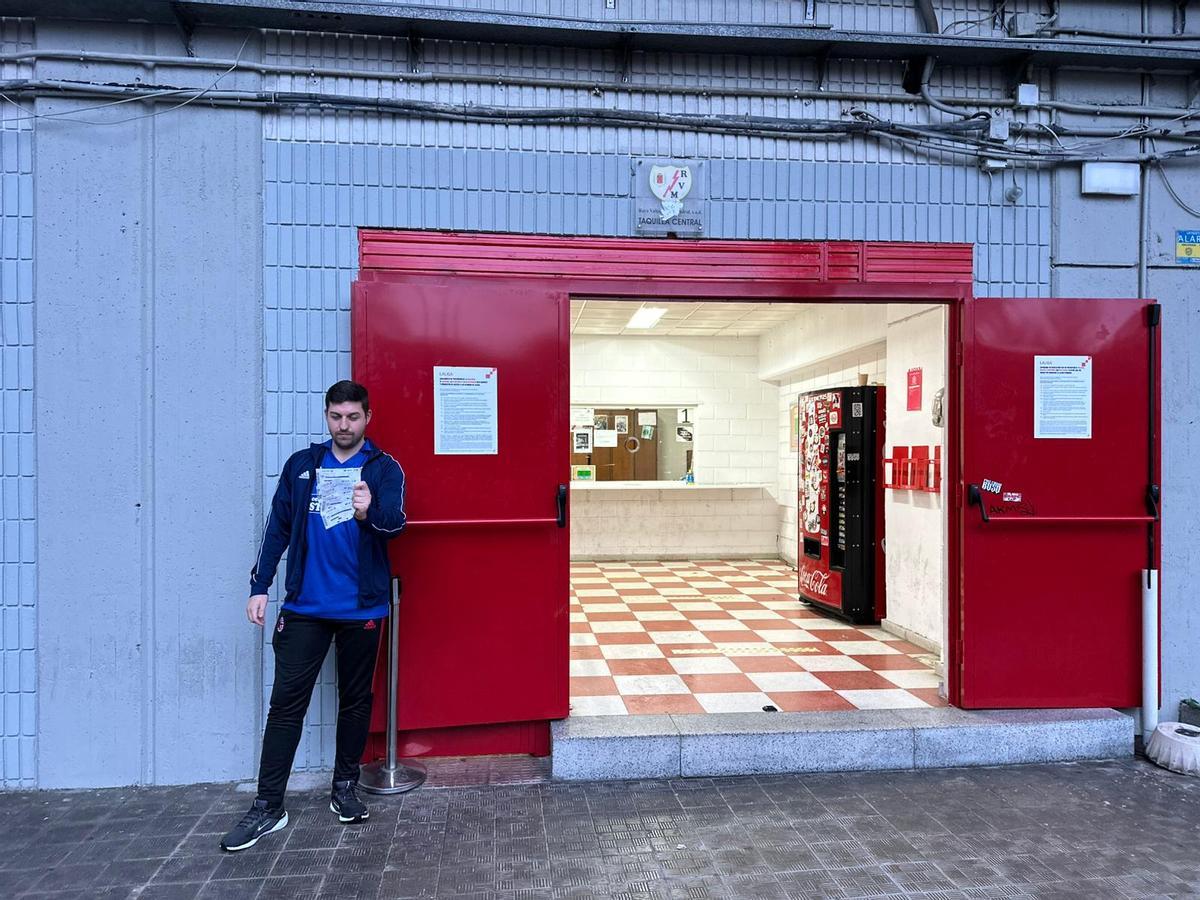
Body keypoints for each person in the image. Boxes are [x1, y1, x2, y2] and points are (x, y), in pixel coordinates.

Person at [220, 380, 407, 852]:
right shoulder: (303, 465)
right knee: (285, 705)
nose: (343, 426)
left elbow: (396, 524)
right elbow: (277, 526)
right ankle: (268, 806)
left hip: (362, 607)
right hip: (305, 606)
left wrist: (370, 514)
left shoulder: (384, 468)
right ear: (326, 416)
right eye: (335, 417)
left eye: (353, 417)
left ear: (368, 417)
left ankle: (344, 789)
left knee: (355, 699)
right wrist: (259, 586)